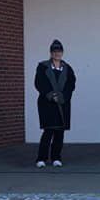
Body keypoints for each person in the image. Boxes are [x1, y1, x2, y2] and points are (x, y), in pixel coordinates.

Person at [34, 39, 76, 168]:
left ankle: (56, 158)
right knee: (48, 131)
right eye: (54, 51)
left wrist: (63, 97)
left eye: (59, 51)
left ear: (62, 52)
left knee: (59, 132)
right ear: (51, 53)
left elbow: (71, 84)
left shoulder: (68, 68)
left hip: (63, 104)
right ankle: (41, 158)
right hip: (47, 104)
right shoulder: (43, 67)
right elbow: (39, 83)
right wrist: (51, 95)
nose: (57, 53)